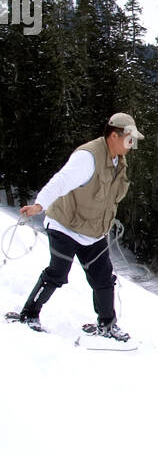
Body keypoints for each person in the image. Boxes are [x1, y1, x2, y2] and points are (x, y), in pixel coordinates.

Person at [8, 112, 144, 340]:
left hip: (92, 230)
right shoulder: (87, 157)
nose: (133, 144)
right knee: (57, 273)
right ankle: (29, 314)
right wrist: (39, 204)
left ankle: (107, 325)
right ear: (113, 136)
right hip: (65, 224)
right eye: (130, 139)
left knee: (103, 278)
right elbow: (61, 181)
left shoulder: (118, 161)